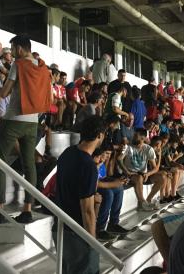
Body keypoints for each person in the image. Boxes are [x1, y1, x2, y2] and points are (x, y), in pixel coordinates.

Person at [0, 35, 52, 225]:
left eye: (12, 48)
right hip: (33, 121)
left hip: (14, 120)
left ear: (18, 48)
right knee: (29, 164)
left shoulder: (19, 65)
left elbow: (4, 92)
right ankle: (27, 209)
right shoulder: (42, 66)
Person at [54, 115, 107, 274]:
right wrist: (93, 245)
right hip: (77, 234)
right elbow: (88, 211)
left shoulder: (67, 153)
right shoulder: (88, 165)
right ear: (99, 135)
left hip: (60, 228)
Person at [118, 129, 164, 211]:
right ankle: (142, 203)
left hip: (144, 174)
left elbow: (155, 168)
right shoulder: (128, 147)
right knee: (139, 178)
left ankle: (148, 200)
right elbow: (119, 159)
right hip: (131, 174)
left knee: (161, 178)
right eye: (134, 135)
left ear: (143, 138)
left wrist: (148, 174)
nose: (133, 137)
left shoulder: (149, 149)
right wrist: (127, 172)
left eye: (136, 136)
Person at [94, 145, 131, 241]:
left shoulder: (103, 162)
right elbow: (94, 182)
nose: (107, 156)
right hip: (91, 187)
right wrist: (114, 183)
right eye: (106, 153)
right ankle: (100, 229)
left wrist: (119, 181)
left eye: (109, 154)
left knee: (119, 188)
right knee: (108, 193)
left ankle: (113, 224)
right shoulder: (94, 161)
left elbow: (104, 176)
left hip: (100, 183)